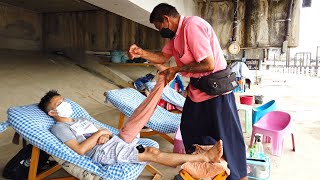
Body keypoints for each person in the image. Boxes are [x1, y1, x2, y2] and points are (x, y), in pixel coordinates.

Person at [128, 3, 247, 180]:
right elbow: (162, 57)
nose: (160, 31)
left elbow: (208, 64)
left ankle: (238, 175)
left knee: (226, 136)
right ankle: (205, 165)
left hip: (215, 92)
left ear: (166, 19)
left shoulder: (192, 26)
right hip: (198, 91)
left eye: (159, 27)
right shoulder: (175, 37)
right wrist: (141, 53)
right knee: (191, 128)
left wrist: (175, 69)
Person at [38, 90, 223, 167]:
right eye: (59, 104)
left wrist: (104, 133)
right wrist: (101, 133)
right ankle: (204, 157)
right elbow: (79, 150)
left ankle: (158, 89)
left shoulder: (79, 118)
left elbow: (106, 132)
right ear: (52, 113)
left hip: (111, 141)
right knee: (151, 152)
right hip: (101, 153)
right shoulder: (60, 127)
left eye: (63, 100)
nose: (65, 104)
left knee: (134, 123)